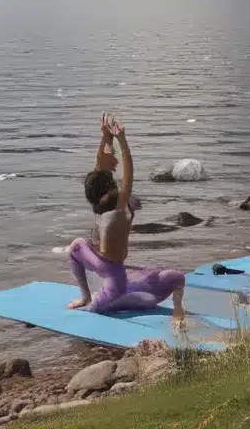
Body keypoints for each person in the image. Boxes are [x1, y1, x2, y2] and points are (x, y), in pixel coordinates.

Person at [66, 113, 187, 325]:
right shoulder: (109, 205)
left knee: (98, 307)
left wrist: (113, 138)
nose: (114, 180)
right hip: (101, 262)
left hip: (113, 274)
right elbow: (110, 169)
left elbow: (114, 170)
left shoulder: (110, 208)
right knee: (76, 247)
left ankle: (120, 299)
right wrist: (113, 138)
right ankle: (86, 296)